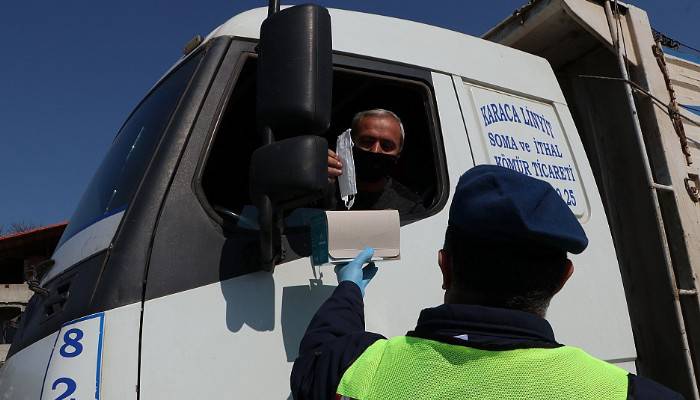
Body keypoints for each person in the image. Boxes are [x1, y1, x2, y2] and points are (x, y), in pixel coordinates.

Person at [291, 165, 683, 399]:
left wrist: (349, 289)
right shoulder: (627, 393)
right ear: (563, 279)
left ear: (444, 266)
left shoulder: (359, 369)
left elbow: (319, 352)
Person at [327, 109, 425, 215]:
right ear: (350, 144)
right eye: (367, 142)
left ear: (398, 155)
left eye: (386, 146)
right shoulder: (327, 185)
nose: (375, 150)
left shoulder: (410, 206)